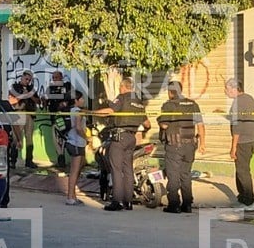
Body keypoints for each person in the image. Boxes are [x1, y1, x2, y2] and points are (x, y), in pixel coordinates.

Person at [94, 77, 150, 211]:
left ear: (124, 87)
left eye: (120, 87)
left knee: (116, 170)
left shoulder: (122, 97)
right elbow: (147, 124)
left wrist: (90, 112)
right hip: (131, 138)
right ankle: (128, 202)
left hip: (119, 138)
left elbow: (110, 111)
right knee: (128, 170)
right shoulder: (139, 102)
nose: (119, 89)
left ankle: (117, 201)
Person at [158, 80, 205, 213]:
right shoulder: (193, 104)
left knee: (173, 175)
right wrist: (203, 143)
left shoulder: (168, 105)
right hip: (190, 145)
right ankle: (187, 204)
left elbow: (164, 125)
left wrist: (159, 121)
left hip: (174, 145)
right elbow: (200, 125)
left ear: (171, 92)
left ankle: (174, 204)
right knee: (186, 174)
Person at [225, 77, 254, 212]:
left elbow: (237, 127)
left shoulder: (237, 103)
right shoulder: (250, 99)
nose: (225, 92)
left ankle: (249, 202)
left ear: (234, 89)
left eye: (226, 89)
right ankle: (242, 198)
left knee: (243, 172)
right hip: (252, 139)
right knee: (241, 170)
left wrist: (233, 148)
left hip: (242, 141)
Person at [7, 70, 40, 169]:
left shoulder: (31, 89)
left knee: (29, 138)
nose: (27, 81)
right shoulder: (15, 87)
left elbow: (38, 101)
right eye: (26, 79)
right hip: (19, 113)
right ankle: (13, 160)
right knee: (16, 138)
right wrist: (23, 96)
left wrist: (30, 95)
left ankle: (29, 160)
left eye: (29, 80)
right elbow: (11, 100)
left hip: (29, 114)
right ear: (22, 78)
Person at [63, 90, 88, 206]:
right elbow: (78, 128)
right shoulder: (78, 111)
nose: (83, 100)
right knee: (74, 171)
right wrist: (88, 138)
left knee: (78, 169)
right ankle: (70, 197)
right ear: (75, 101)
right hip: (76, 143)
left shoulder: (71, 111)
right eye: (81, 98)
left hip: (75, 143)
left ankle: (73, 195)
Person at [44, 70, 73, 168]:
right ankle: (61, 160)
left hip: (66, 117)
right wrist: (44, 101)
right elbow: (45, 102)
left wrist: (65, 103)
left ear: (61, 78)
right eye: (53, 78)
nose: (54, 80)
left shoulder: (67, 86)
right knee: (56, 139)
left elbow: (73, 98)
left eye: (56, 77)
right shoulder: (50, 88)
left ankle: (74, 159)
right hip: (55, 117)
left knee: (67, 138)